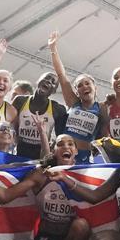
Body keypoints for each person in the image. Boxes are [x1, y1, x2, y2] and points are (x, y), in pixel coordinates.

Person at [47, 31, 103, 163]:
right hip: (62, 156)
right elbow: (61, 75)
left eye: (87, 83)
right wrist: (53, 48)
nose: (84, 87)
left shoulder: (103, 107)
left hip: (83, 159)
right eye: (79, 86)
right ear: (77, 92)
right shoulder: (73, 102)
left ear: (95, 88)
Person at [12, 72, 68, 160]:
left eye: (53, 82)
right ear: (38, 81)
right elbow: (10, 124)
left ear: (54, 91)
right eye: (47, 78)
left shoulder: (58, 109)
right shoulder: (19, 101)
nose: (49, 81)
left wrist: (50, 152)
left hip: (41, 157)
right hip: (18, 153)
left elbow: (60, 137)